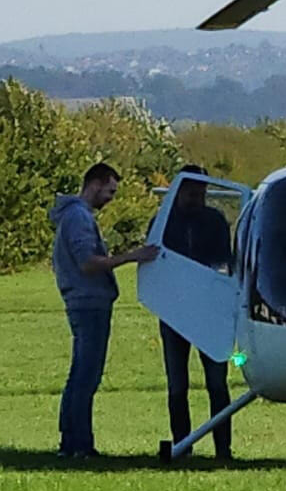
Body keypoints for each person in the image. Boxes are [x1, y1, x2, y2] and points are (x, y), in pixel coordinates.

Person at [49, 162, 157, 459]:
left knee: (80, 373)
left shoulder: (73, 216)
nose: (111, 198)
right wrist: (133, 256)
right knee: (87, 375)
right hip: (88, 302)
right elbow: (88, 262)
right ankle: (79, 444)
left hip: (84, 301)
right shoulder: (78, 218)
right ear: (94, 184)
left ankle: (70, 441)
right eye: (110, 190)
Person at [159, 164, 234, 460]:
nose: (196, 197)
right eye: (191, 191)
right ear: (179, 190)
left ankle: (223, 449)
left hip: (210, 313)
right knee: (177, 385)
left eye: (201, 190)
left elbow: (224, 262)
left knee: (217, 384)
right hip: (173, 313)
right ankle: (182, 446)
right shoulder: (164, 221)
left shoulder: (215, 221)